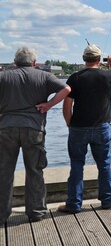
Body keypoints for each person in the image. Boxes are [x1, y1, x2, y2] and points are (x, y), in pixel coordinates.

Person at [0, 47, 70, 223]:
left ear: (15, 62)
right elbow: (66, 89)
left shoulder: (4, 76)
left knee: (4, 172)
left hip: (7, 128)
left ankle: (1, 214)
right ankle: (36, 212)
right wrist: (48, 104)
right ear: (33, 62)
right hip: (34, 128)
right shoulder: (44, 76)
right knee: (34, 171)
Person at [59, 45, 111, 213]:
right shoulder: (108, 75)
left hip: (78, 128)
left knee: (76, 165)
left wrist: (69, 123)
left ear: (84, 59)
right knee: (104, 164)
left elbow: (67, 106)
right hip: (102, 127)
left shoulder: (74, 78)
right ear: (98, 59)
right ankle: (106, 201)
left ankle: (74, 204)